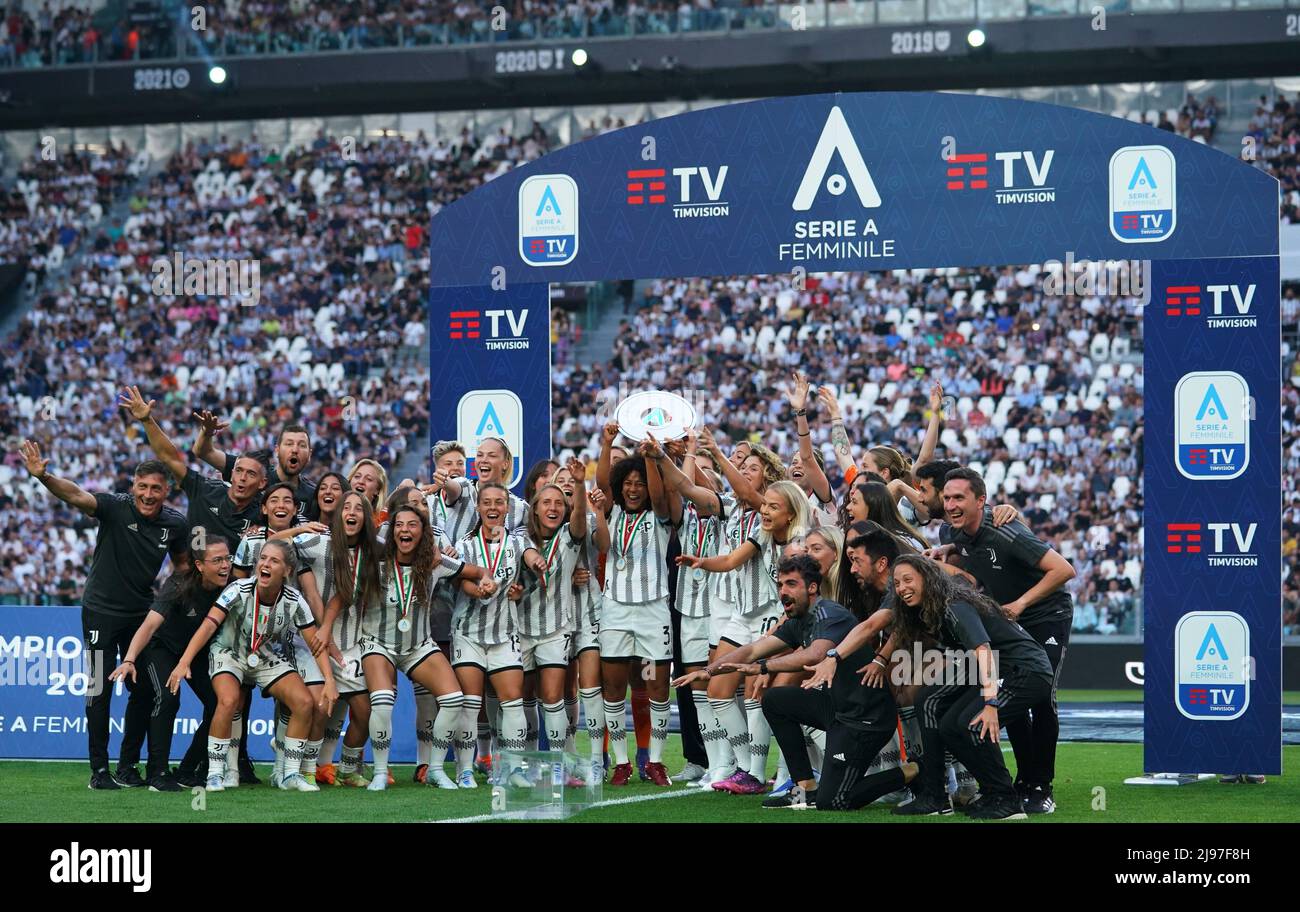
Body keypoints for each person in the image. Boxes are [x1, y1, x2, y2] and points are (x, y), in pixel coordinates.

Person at [679, 555, 912, 811]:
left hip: (866, 718)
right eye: (780, 585)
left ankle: (911, 772)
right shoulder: (798, 621)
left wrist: (763, 667)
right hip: (838, 709)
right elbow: (753, 650)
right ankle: (805, 787)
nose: (783, 592)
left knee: (833, 801)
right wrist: (709, 671)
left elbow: (815, 654)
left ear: (812, 588)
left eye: (791, 584)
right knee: (776, 700)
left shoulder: (830, 613)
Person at [20, 440, 189, 789]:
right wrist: (44, 477)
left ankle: (128, 767)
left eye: (155, 488)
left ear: (166, 491)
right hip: (99, 612)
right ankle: (99, 771)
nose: (147, 494)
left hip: (139, 616)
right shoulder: (115, 506)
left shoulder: (175, 523)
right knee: (99, 691)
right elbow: (78, 495)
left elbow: (184, 566)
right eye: (142, 487)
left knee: (142, 690)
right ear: (133, 487)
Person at [933, 467, 1076, 814]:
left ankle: (1041, 786)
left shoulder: (1005, 529)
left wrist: (1022, 603)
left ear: (981, 500)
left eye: (959, 498)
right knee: (1014, 700)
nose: (950, 504)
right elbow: (966, 546)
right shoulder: (952, 531)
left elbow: (1064, 570)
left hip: (1046, 616)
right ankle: (1023, 781)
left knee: (1042, 698)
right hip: (1010, 620)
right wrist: (947, 549)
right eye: (947, 497)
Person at [888, 554, 1054, 820]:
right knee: (942, 716)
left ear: (928, 579)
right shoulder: (931, 609)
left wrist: (991, 705)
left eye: (908, 580)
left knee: (972, 724)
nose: (902, 588)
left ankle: (1007, 801)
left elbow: (983, 649)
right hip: (999, 670)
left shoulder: (953, 605)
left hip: (1026, 672)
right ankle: (944, 796)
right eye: (896, 583)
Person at [165, 540, 337, 792]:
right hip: (229, 653)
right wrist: (184, 662)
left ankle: (289, 775)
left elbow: (315, 642)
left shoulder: (294, 600)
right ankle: (215, 773)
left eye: (273, 561)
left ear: (287, 570)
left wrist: (330, 682)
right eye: (263, 558)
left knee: (305, 702)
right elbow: (208, 626)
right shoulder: (238, 589)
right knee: (228, 700)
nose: (265, 564)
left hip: (264, 656)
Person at [676, 478, 811, 794]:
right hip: (745, 614)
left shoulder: (799, 544)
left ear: (791, 514)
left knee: (758, 693)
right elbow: (730, 560)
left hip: (776, 617)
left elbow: (799, 596)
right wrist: (702, 562)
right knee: (718, 689)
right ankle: (744, 766)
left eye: (773, 507)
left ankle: (762, 773)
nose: (765, 511)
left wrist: (780, 628)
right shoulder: (763, 533)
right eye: (765, 505)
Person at [361, 503, 490, 791]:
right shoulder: (375, 560)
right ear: (391, 530)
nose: (405, 530)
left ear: (423, 533)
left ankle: (434, 769)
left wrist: (486, 582)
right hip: (378, 643)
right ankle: (380, 772)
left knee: (454, 698)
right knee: (382, 699)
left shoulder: (435, 562)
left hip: (418, 645)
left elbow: (477, 571)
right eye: (399, 524)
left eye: (412, 525)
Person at [108, 531, 231, 791]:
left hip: (193, 653)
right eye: (217, 561)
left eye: (227, 559)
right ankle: (157, 773)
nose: (225, 566)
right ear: (199, 565)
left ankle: (187, 770)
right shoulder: (179, 584)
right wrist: (129, 659)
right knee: (167, 697)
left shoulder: (230, 587)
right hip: (160, 648)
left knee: (219, 703)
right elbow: (150, 624)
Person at [594, 425, 682, 787]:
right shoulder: (611, 512)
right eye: (627, 483)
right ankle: (621, 762)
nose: (633, 489)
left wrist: (650, 457)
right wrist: (606, 443)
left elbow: (660, 495)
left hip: (652, 613)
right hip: (614, 612)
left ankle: (656, 762)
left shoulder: (660, 516)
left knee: (657, 688)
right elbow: (602, 484)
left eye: (640, 483)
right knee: (614, 690)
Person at [450, 484, 546, 787]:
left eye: (499, 502)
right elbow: (458, 580)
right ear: (478, 508)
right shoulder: (464, 544)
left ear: (507, 508)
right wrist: (476, 589)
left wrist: (535, 563)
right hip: (469, 633)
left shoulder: (517, 541)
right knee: (470, 702)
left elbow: (530, 556)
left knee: (513, 701)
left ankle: (513, 769)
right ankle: (465, 769)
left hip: (505, 633)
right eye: (487, 502)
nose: (493, 508)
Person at [119, 386, 266, 549]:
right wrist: (147, 420)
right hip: (193, 574)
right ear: (231, 475)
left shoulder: (264, 510)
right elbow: (169, 458)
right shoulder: (204, 490)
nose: (243, 478)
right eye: (239, 471)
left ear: (262, 483)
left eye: (251, 474)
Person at [516, 469, 589, 774]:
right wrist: (527, 572)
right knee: (523, 697)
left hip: (556, 628)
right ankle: (530, 764)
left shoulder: (569, 537)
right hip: (520, 629)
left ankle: (559, 764)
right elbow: (528, 554)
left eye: (559, 503)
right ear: (535, 508)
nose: (553, 508)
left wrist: (582, 485)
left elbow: (581, 522)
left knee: (552, 696)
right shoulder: (519, 537)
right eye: (546, 502)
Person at [312, 491, 385, 787]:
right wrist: (297, 529)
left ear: (367, 518)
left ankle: (348, 768)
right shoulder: (318, 544)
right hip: (315, 641)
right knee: (317, 709)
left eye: (360, 509)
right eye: (347, 507)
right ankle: (301, 768)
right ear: (339, 514)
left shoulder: (376, 550)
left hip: (352, 643)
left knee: (365, 712)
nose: (352, 512)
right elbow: (276, 547)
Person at [193, 413, 319, 520]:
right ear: (277, 450)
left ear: (309, 454)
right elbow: (203, 452)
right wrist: (207, 431)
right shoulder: (253, 471)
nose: (295, 450)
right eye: (289, 444)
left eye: (302, 445)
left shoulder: (314, 495)